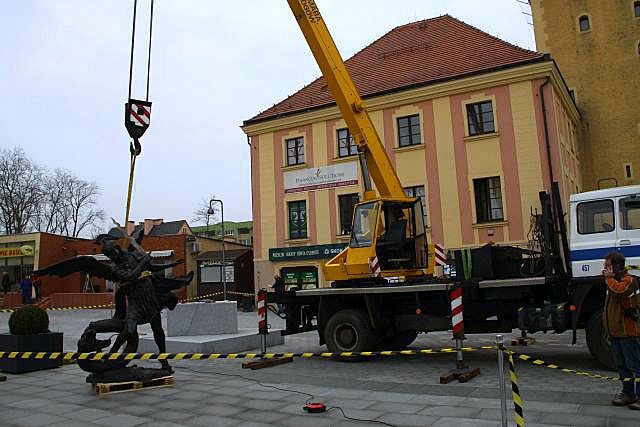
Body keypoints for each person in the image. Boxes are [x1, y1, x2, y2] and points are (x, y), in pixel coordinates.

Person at [602, 252, 640, 409]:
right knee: (622, 366)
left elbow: (620, 291)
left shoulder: (629, 280)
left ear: (617, 266)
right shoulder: (612, 282)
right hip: (616, 333)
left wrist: (609, 278)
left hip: (628, 332)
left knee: (635, 365)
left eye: (608, 266)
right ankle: (628, 393)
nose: (604, 269)